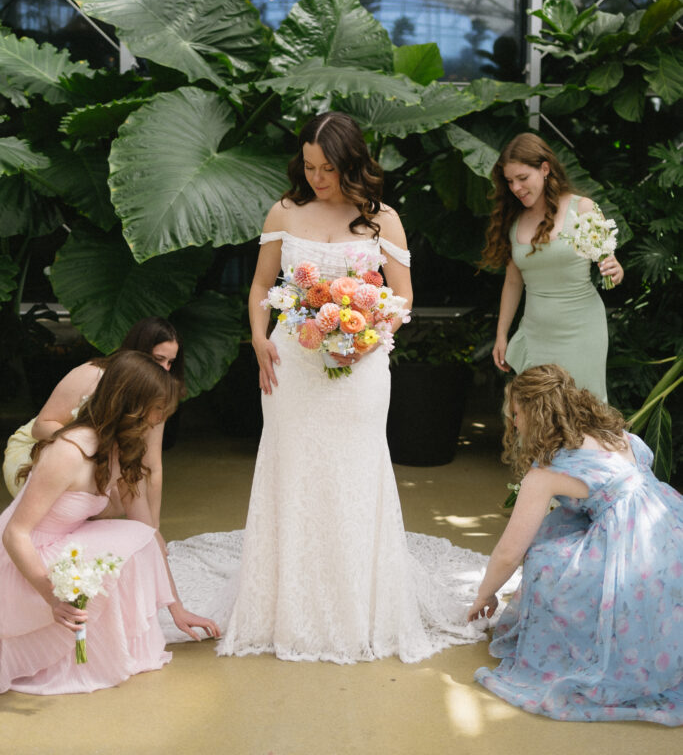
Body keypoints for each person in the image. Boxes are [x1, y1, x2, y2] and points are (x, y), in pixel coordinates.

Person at [164, 111, 489, 662]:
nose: (317, 178)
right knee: (293, 469)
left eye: (329, 168)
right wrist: (259, 338)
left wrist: (367, 335)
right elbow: (263, 284)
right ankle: (287, 604)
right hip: (292, 364)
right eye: (310, 166)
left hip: (360, 369)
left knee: (356, 474)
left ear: (353, 163)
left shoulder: (383, 218)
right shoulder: (285, 211)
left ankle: (359, 605)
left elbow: (403, 296)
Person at [467, 364, 683, 725]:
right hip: (670, 531)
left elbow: (510, 552)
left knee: (547, 560)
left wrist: (485, 594)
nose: (513, 422)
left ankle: (578, 646)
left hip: (632, 552)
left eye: (516, 414)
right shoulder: (616, 435)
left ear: (534, 415)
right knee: (558, 531)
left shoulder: (547, 474)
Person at [0, 350, 219, 695]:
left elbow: (147, 530)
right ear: (129, 404)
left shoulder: (119, 449)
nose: (161, 418)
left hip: (60, 545)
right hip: (21, 561)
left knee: (140, 537)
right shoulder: (69, 451)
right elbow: (15, 534)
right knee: (124, 543)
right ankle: (63, 653)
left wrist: (178, 609)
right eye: (157, 409)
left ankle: (98, 652)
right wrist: (52, 597)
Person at [2, 316, 184, 529]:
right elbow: (41, 426)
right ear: (138, 351)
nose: (165, 369)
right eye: (158, 359)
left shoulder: (155, 395)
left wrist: (153, 529)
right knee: (102, 485)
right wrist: (98, 448)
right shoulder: (92, 374)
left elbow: (152, 465)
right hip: (43, 448)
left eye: (170, 362)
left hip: (102, 456)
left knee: (123, 491)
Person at [480, 133, 624, 402]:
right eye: (510, 181)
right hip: (536, 334)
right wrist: (501, 334)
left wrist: (615, 270)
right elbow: (513, 282)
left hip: (583, 330)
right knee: (538, 421)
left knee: (584, 413)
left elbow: (610, 267)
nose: (516, 188)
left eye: (523, 178)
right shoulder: (514, 222)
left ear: (545, 169)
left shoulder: (582, 208)